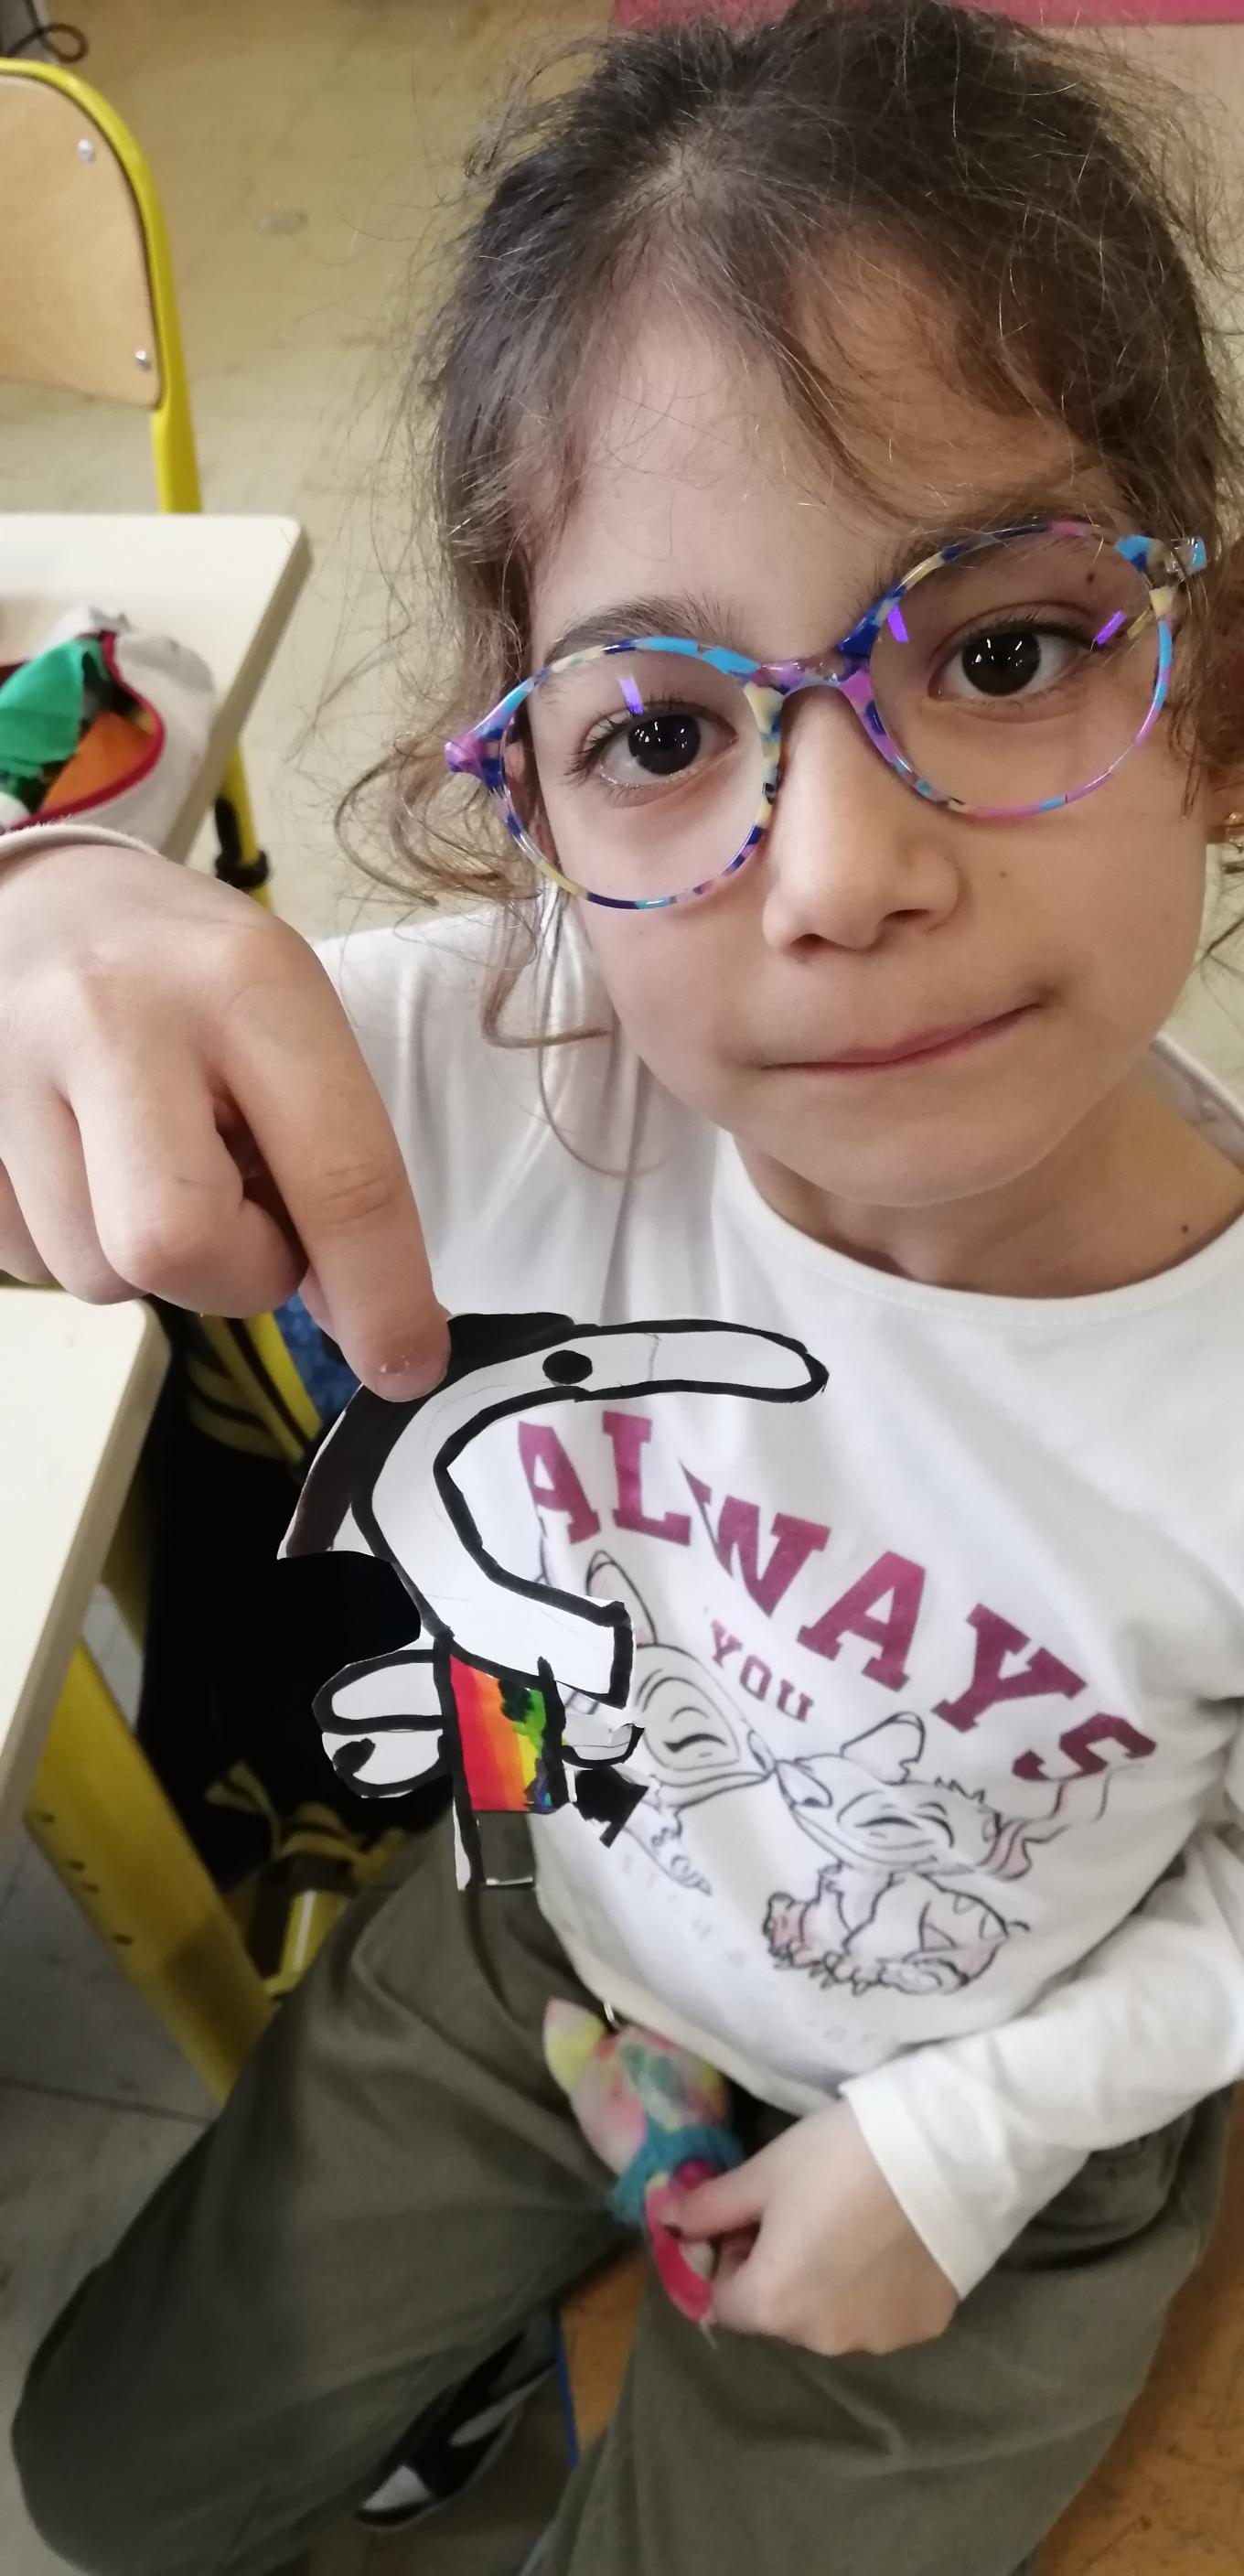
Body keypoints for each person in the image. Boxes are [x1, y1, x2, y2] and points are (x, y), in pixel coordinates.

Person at [5, 3, 1244, 2570]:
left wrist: (960, 2143)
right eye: (663, 734)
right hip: (540, 1954)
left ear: (1214, 704)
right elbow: (102, 1063)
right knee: (95, 2482)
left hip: (1007, 2102)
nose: (840, 876)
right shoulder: (501, 1077)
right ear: (540, 823)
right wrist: (50, 918)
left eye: (1003, 651)